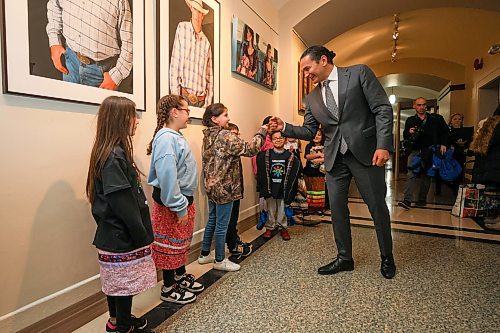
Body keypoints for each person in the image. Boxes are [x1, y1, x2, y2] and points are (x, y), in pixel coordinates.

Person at [269, 45, 396, 279]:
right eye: (303, 71)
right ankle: (344, 258)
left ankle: (387, 257)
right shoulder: (313, 97)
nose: (306, 73)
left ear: (323, 60)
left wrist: (383, 145)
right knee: (337, 209)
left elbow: (382, 109)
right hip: (335, 159)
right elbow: (309, 131)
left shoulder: (359, 73)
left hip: (366, 153)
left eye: (308, 68)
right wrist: (284, 127)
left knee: (377, 207)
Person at [86, 96, 155, 333]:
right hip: (121, 235)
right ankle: (123, 326)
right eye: (133, 116)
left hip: (112, 233)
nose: (136, 121)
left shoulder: (109, 152)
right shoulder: (113, 156)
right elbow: (122, 203)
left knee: (115, 282)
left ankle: (116, 320)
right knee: (124, 284)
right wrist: (141, 234)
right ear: (119, 119)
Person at [146, 95, 204, 305]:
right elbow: (168, 178)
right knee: (170, 247)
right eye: (187, 110)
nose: (189, 114)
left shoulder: (174, 136)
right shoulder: (166, 139)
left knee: (179, 244)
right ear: (174, 112)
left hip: (182, 201)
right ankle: (169, 288)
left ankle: (179, 277)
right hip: (172, 204)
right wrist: (180, 207)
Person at [198, 103, 267, 271]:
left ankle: (204, 254)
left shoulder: (207, 136)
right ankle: (220, 260)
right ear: (214, 119)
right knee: (222, 224)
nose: (228, 118)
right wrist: (262, 131)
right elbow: (251, 149)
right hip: (225, 187)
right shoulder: (225, 136)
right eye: (225, 115)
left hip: (212, 186)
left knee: (213, 220)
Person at [46, 0, 133, 90]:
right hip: (70, 64)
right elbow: (54, 5)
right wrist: (54, 41)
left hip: (102, 74)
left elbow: (130, 43)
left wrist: (116, 77)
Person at [398, 97, 449, 209]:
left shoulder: (436, 119)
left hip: (430, 151)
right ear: (414, 106)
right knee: (411, 174)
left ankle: (422, 199)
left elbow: (445, 132)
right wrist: (409, 132)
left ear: (426, 106)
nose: (422, 107)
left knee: (426, 176)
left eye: (424, 105)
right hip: (415, 151)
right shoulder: (411, 120)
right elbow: (406, 135)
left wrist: (443, 144)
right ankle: (407, 200)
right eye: (419, 105)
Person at [256, 131, 302, 240]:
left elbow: (296, 173)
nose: (278, 140)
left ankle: (283, 228)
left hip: (284, 188)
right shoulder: (265, 155)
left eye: (281, 138)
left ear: (285, 140)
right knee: (270, 209)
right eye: (275, 138)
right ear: (271, 140)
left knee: (283, 209)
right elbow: (261, 173)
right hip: (270, 187)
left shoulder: (291, 156)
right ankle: (269, 227)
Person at [170, 0, 213, 108]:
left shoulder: (206, 43)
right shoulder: (182, 28)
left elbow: (209, 77)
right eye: (196, 10)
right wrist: (175, 99)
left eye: (200, 12)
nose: (198, 15)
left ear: (203, 15)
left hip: (201, 100)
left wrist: (207, 105)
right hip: (184, 96)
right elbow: (175, 65)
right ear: (191, 9)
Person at [225, 123, 253, 258]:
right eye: (233, 135)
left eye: (238, 134)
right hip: (229, 191)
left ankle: (234, 240)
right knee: (230, 219)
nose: (236, 138)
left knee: (233, 218)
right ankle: (233, 246)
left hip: (236, 189)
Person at [470, 106, 500, 186]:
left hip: (488, 178)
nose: (477, 130)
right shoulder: (488, 140)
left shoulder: (486, 141)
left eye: (479, 128)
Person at [303, 128, 327, 215]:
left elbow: (327, 157)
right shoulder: (309, 146)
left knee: (319, 191)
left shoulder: (325, 146)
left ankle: (320, 208)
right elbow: (307, 156)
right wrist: (318, 155)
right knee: (310, 191)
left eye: (319, 135)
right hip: (309, 172)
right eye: (314, 134)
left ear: (322, 137)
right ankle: (310, 207)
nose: (316, 136)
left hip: (320, 173)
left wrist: (321, 159)